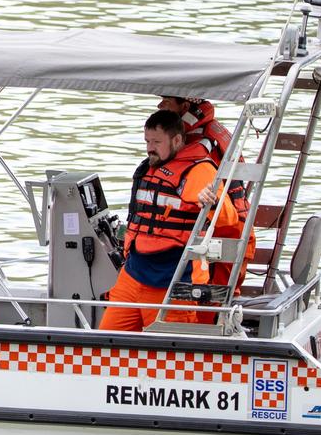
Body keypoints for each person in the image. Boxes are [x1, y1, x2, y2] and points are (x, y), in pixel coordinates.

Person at [98, 110, 238, 332]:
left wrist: (211, 201)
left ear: (177, 140)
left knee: (169, 357)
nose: (149, 148)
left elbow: (228, 219)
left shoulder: (198, 170)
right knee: (107, 342)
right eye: (147, 141)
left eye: (156, 142)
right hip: (133, 274)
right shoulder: (150, 167)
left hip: (172, 280)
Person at [157, 95, 255, 295]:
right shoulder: (209, 131)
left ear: (184, 106)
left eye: (166, 101)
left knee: (214, 299)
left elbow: (201, 193)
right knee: (218, 296)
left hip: (226, 229)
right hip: (231, 224)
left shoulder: (196, 144)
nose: (160, 106)